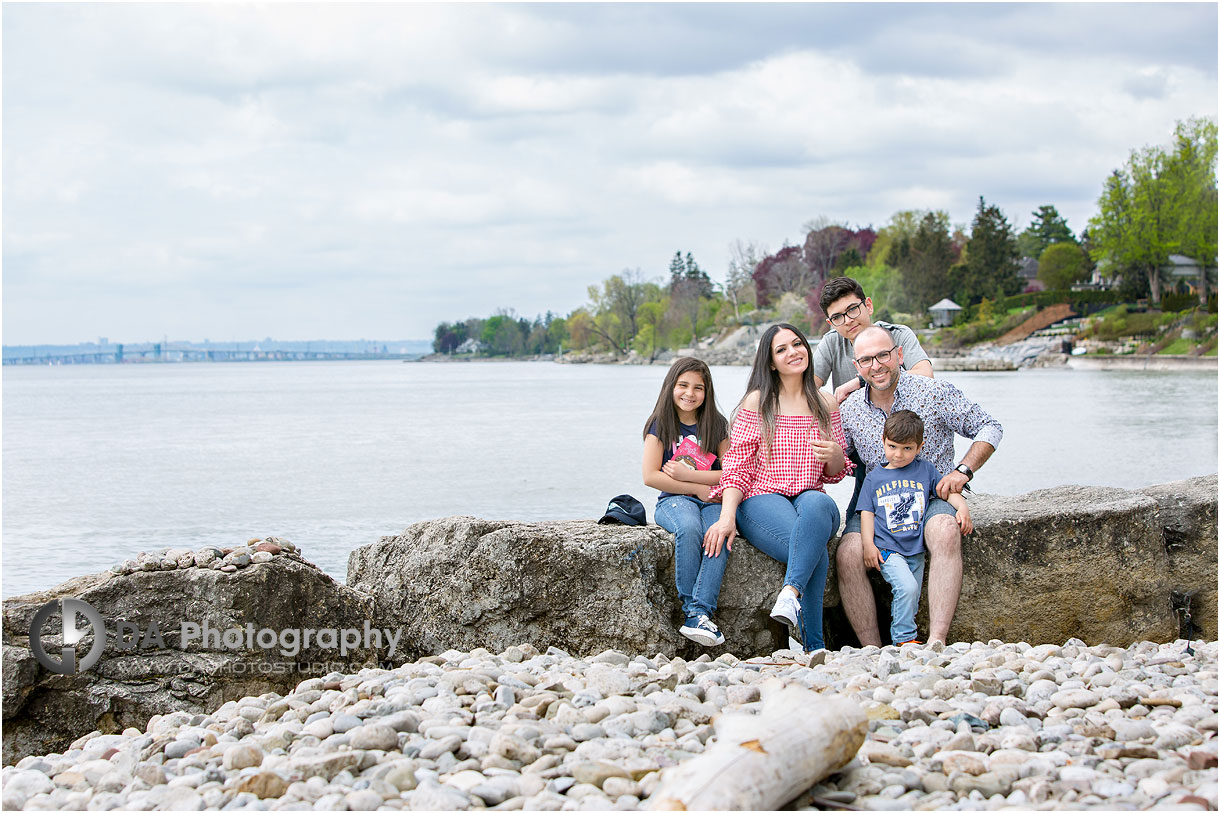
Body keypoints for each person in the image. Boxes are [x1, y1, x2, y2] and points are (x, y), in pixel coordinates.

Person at [837, 326, 1003, 647]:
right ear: (857, 367)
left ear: (899, 355)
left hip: (934, 494)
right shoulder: (851, 410)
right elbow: (835, 465)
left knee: (944, 530)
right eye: (867, 360)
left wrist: (963, 471)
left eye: (883, 355)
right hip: (881, 497)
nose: (876, 365)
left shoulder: (933, 392)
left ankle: (936, 641)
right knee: (847, 552)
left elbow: (989, 427)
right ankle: (872, 649)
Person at [702, 323, 851, 652]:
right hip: (761, 498)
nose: (793, 352)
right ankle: (815, 647)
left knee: (818, 506)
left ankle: (789, 594)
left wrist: (838, 455)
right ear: (771, 362)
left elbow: (835, 474)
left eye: (797, 344)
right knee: (810, 550)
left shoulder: (826, 404)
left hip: (810, 496)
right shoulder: (759, 401)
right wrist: (727, 517)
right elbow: (737, 465)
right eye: (781, 349)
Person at [813, 276, 936, 520]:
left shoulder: (897, 335)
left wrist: (860, 381)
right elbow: (805, 391)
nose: (848, 320)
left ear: (867, 305)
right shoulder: (831, 344)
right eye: (838, 317)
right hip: (860, 437)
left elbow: (925, 374)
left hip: (904, 429)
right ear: (831, 322)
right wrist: (831, 401)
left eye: (852, 309)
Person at [859, 410, 972, 646]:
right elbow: (867, 513)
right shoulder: (874, 478)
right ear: (883, 441)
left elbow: (947, 492)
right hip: (887, 548)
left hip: (915, 548)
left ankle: (905, 637)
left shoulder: (925, 471)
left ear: (920, 447)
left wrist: (962, 509)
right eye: (892, 447)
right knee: (907, 587)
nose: (898, 454)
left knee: (913, 593)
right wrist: (868, 545)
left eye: (907, 448)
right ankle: (903, 638)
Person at [642, 357, 730, 647]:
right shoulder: (660, 424)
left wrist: (699, 480)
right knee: (690, 528)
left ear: (707, 392)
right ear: (671, 386)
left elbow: (730, 472)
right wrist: (693, 487)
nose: (689, 394)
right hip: (673, 501)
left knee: (719, 531)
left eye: (698, 388)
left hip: (711, 500)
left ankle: (699, 613)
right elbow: (651, 476)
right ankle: (692, 609)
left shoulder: (716, 425)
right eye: (683, 385)